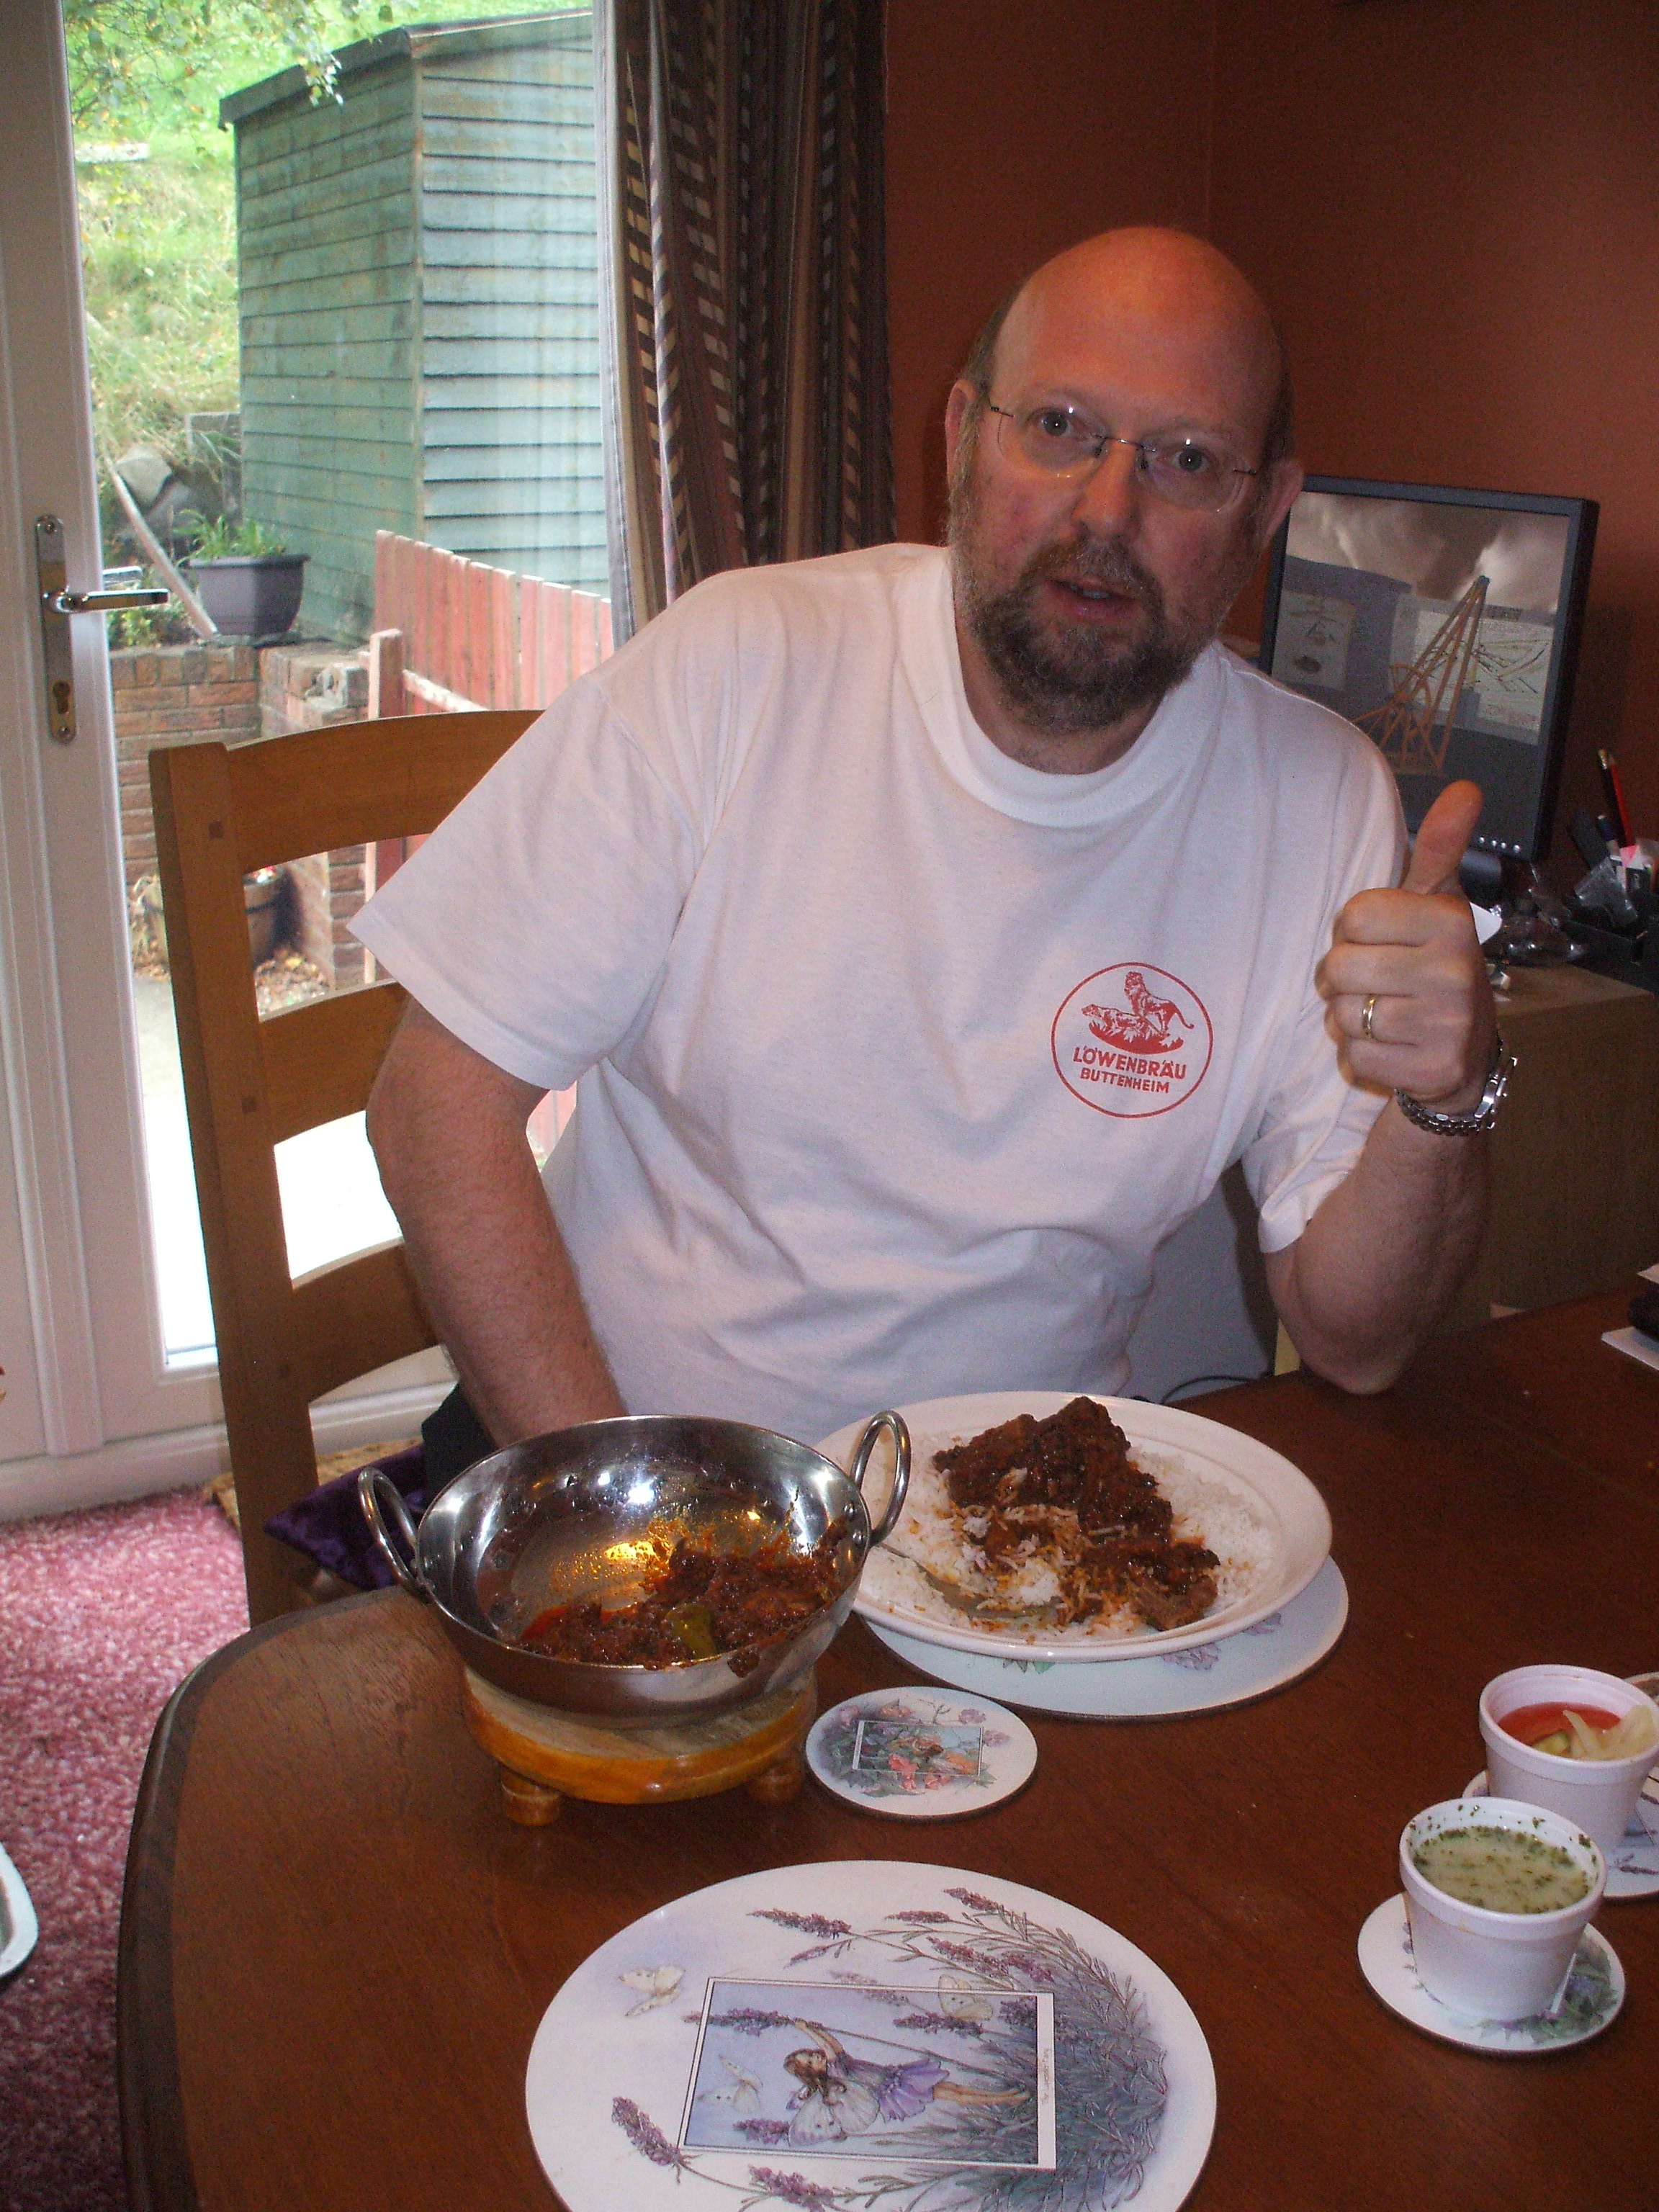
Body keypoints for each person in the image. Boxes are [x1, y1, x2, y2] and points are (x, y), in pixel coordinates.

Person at [359, 227, 1497, 1468]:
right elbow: (434, 1113)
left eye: (1186, 460)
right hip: (626, 1458)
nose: (1107, 509)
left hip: (1028, 1525)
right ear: (961, 439)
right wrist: (625, 1513)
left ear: (1265, 510)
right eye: (1057, 427)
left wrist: (1445, 1099)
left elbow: (1355, 1344)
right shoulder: (739, 664)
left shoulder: (1320, 801)